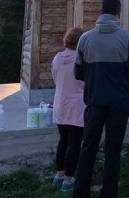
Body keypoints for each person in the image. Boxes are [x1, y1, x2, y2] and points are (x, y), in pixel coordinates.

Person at [73, 0, 129, 198]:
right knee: (113, 150)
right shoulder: (128, 38)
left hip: (94, 100)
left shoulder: (85, 39)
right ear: (118, 12)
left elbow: (77, 72)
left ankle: (81, 192)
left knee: (88, 147)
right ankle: (109, 193)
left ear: (101, 10)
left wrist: (95, 77)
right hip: (120, 102)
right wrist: (124, 78)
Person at [52, 27, 86, 193]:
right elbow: (85, 82)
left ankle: (59, 175)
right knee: (74, 144)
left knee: (62, 141)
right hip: (77, 107)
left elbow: (55, 78)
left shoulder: (57, 58)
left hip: (60, 104)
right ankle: (69, 179)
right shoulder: (80, 60)